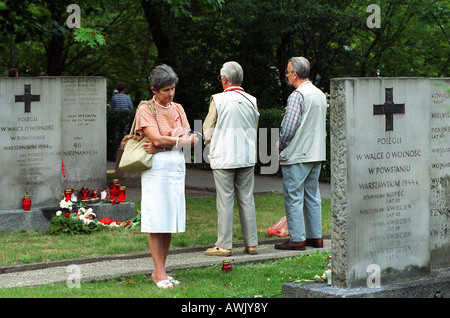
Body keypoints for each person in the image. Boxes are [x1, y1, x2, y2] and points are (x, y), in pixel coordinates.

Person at [135, 64, 198, 288]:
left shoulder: (178, 108)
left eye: (172, 88)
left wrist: (167, 141)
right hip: (156, 169)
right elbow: (156, 138)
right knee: (156, 218)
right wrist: (176, 140)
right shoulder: (145, 109)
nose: (170, 93)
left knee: (169, 218)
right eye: (165, 90)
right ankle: (159, 272)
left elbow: (191, 137)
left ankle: (159, 270)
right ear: (154, 90)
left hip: (175, 167)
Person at [203, 61, 259, 257]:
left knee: (225, 199)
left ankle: (224, 244)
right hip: (247, 155)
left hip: (224, 156)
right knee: (246, 198)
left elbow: (208, 128)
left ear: (224, 79)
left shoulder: (218, 99)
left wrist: (209, 143)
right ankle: (251, 244)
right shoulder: (252, 99)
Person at [274, 57, 327, 251]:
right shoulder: (319, 94)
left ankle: (297, 239)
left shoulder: (298, 95)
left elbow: (289, 127)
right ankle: (315, 237)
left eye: (288, 72)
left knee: (293, 196)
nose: (287, 75)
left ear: (295, 74)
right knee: (312, 195)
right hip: (316, 152)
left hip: (298, 153)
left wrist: (280, 145)